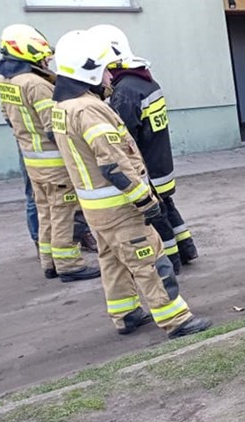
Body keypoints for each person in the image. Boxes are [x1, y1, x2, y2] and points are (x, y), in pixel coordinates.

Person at [50, 28, 211, 338]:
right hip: (119, 207)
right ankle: (176, 320)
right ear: (90, 70)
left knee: (111, 261)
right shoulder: (89, 109)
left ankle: (126, 314)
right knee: (149, 261)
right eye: (106, 69)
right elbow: (115, 164)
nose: (111, 75)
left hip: (96, 207)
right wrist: (146, 202)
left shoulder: (63, 107)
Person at [87, 24, 199, 275]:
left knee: (157, 215)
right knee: (168, 206)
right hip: (160, 161)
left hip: (146, 165)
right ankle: (187, 248)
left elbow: (124, 135)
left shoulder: (124, 91)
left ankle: (172, 262)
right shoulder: (145, 80)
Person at [0, 24, 100, 282]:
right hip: (54, 163)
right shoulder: (36, 84)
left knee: (45, 211)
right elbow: (55, 128)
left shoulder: (4, 80)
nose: (47, 60)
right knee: (62, 212)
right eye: (43, 56)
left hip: (32, 160)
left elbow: (7, 117)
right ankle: (69, 265)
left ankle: (49, 262)